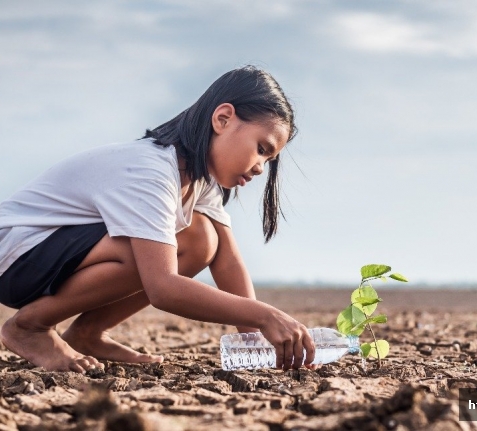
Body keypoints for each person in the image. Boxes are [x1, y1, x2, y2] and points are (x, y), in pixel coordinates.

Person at [0, 66, 316, 373]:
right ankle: (30, 326)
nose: (261, 167)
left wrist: (254, 342)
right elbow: (162, 287)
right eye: (261, 148)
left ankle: (87, 334)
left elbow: (228, 260)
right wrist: (265, 315)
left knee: (200, 238)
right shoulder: (151, 170)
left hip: (45, 259)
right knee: (142, 247)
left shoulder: (199, 180)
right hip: (14, 257)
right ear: (223, 119)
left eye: (268, 159)